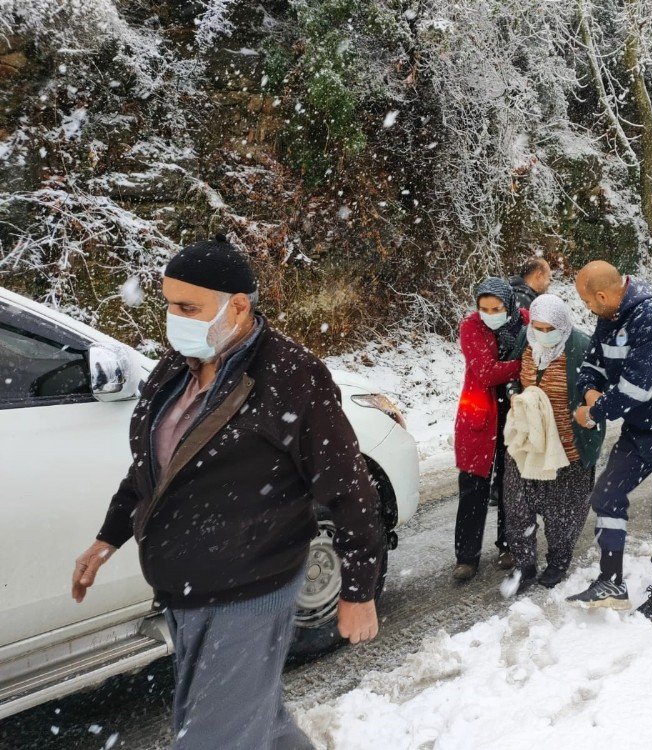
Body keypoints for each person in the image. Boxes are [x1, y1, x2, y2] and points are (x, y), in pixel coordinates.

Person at [71, 235, 383, 750]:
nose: (173, 318)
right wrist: (108, 538)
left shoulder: (291, 375)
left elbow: (349, 486)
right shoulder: (175, 371)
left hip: (249, 589)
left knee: (212, 738)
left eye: (187, 307)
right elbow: (152, 470)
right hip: (184, 590)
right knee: (259, 724)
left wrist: (358, 589)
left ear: (237, 305)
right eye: (168, 304)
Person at [565, 262, 652, 624]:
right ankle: (611, 580)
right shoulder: (609, 315)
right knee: (607, 494)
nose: (588, 309)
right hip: (640, 427)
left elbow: (636, 389)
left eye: (587, 302)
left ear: (601, 295)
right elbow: (592, 365)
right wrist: (590, 390)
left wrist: (594, 412)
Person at [500, 294, 606, 594]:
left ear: (562, 325)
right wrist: (514, 395)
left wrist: (589, 413)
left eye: (550, 329)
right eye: (538, 327)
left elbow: (598, 393)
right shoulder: (525, 339)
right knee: (518, 506)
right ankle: (525, 563)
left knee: (563, 511)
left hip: (568, 445)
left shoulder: (582, 348)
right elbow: (511, 376)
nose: (543, 334)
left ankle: (559, 559)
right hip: (528, 442)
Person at [453, 277, 527, 580]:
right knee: (473, 486)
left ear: (508, 305)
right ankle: (466, 556)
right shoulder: (471, 327)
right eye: (483, 308)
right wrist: (522, 365)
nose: (489, 313)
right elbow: (484, 373)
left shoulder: (523, 321)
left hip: (512, 414)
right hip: (479, 417)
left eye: (496, 308)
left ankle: (508, 545)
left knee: (511, 483)